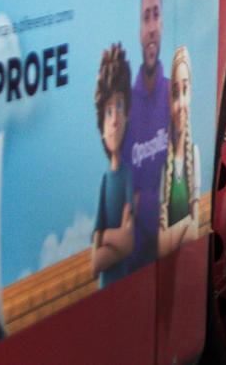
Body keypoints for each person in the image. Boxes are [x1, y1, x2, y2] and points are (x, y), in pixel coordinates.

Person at [123, 0, 171, 273]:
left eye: (156, 15)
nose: (151, 27)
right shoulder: (125, 107)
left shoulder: (175, 96)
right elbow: (126, 204)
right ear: (139, 29)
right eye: (146, 17)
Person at [91, 43, 135, 287]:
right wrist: (113, 237)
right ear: (101, 129)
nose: (115, 119)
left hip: (122, 280)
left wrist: (107, 239)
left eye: (119, 107)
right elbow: (93, 265)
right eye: (108, 112)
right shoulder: (106, 180)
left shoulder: (127, 175)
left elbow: (129, 242)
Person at [158, 45, 202, 256]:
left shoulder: (194, 156)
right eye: (175, 94)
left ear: (191, 93)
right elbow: (160, 244)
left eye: (185, 91)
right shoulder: (162, 162)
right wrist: (184, 229)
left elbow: (196, 231)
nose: (181, 104)